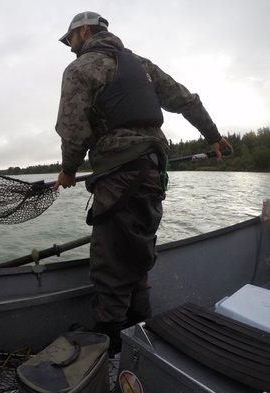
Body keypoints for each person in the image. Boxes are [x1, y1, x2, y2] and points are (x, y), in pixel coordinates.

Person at [54, 12, 233, 354]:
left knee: (109, 256)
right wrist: (213, 137)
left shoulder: (80, 69)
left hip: (118, 174)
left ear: (86, 32)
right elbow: (186, 100)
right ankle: (140, 325)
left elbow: (73, 129)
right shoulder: (141, 64)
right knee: (138, 245)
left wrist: (69, 169)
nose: (70, 47)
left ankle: (110, 340)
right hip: (153, 171)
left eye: (71, 39)